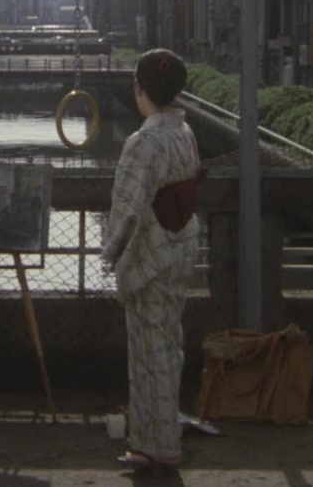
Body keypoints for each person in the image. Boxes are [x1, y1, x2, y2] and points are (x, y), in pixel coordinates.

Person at [99, 49, 202, 469]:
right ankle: (151, 440)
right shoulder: (184, 133)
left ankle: (159, 446)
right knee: (168, 345)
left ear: (140, 89)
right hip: (180, 246)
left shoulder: (143, 142)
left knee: (149, 353)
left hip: (150, 254)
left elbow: (128, 208)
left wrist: (109, 254)